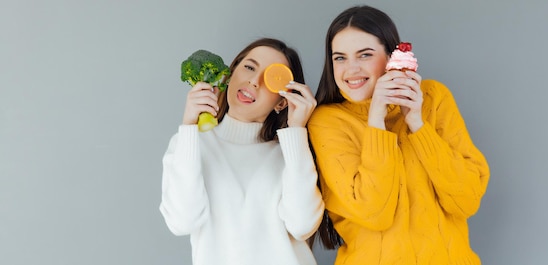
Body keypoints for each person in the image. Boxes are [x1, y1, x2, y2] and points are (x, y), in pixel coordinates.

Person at [307, 5, 490, 265]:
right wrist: (376, 120)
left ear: (392, 55)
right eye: (340, 58)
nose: (351, 69)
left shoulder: (434, 98)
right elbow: (374, 212)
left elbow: (466, 200)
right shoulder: (327, 122)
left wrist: (416, 122)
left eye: (365, 55)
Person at [160, 38, 324, 265]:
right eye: (249, 67)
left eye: (270, 78)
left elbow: (302, 225)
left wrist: (297, 131)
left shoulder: (292, 153)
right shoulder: (189, 143)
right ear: (231, 73)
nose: (254, 81)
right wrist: (189, 127)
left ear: (282, 102)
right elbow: (182, 221)